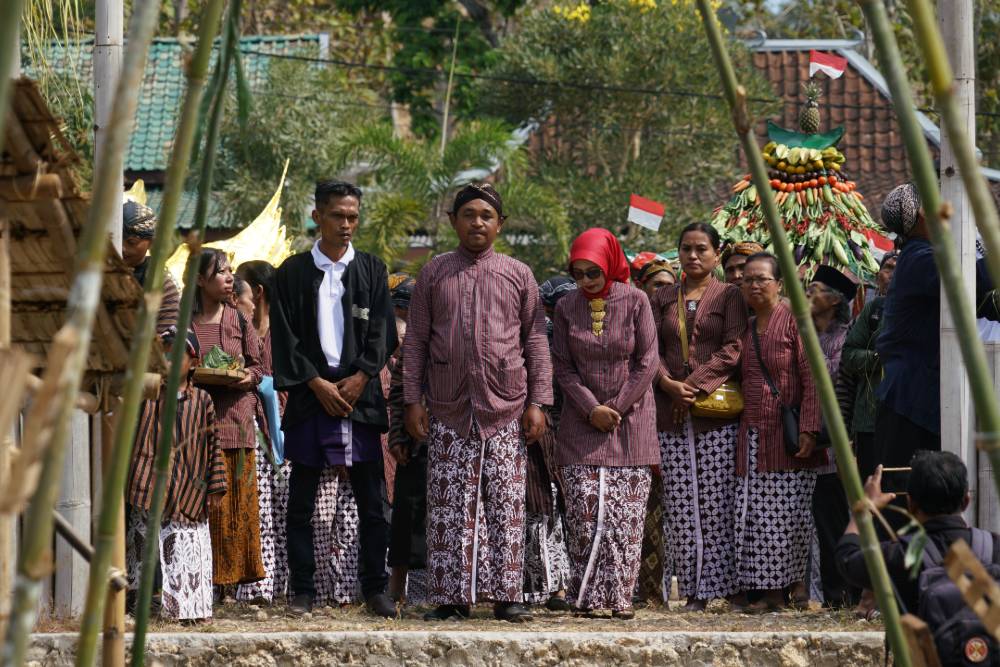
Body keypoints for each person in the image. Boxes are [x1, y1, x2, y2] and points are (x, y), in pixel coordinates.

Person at [403, 183, 552, 623]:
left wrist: (539, 401)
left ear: (500, 224)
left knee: (506, 503)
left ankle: (508, 596)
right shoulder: (434, 272)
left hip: (506, 406)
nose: (477, 223)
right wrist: (413, 401)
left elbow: (536, 342)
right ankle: (451, 598)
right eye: (468, 214)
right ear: (453, 221)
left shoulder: (518, 274)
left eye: (486, 215)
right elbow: (415, 344)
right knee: (450, 506)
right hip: (448, 406)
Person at [271, 180, 397, 618]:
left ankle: (375, 589)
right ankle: (302, 591)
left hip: (359, 399)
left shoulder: (372, 270)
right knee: (302, 500)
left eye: (353, 217)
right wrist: (315, 383)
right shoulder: (290, 273)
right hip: (312, 398)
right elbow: (284, 339)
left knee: (372, 500)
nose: (347, 225)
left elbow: (384, 332)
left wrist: (362, 376)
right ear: (317, 216)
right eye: (338, 216)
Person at [552, 228, 659, 620]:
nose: (584, 282)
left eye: (592, 273)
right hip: (581, 425)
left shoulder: (636, 301)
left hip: (630, 424)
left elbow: (648, 362)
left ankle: (619, 599)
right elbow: (562, 366)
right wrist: (590, 408)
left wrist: (614, 407)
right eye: (577, 273)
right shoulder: (565, 306)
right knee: (585, 512)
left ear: (610, 266)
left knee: (625, 518)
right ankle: (587, 597)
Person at [652, 222, 746, 612]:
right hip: (671, 412)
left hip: (715, 413)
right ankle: (690, 589)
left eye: (702, 249)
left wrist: (691, 384)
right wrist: (669, 384)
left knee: (716, 501)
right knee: (680, 505)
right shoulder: (660, 297)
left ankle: (718, 586)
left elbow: (734, 346)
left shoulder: (729, 296)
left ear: (716, 253)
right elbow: (648, 349)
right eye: (686, 248)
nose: (693, 256)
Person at [875, 183, 992, 468]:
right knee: (907, 492)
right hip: (909, 397)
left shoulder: (924, 255)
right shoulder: (919, 258)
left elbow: (982, 304)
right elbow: (972, 281)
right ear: (923, 214)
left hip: (918, 392)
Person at [734, 252, 826, 612]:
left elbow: (812, 376)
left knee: (788, 515)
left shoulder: (793, 321)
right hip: (752, 433)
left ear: (779, 284)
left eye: (762, 279)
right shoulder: (745, 324)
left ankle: (786, 589)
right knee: (757, 515)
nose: (754, 285)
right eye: (747, 279)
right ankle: (768, 591)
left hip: (786, 434)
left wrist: (809, 428)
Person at [125, 327, 224, 623]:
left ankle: (190, 609)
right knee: (141, 547)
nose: (169, 358)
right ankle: (136, 605)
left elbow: (213, 445)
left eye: (177, 352)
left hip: (189, 488)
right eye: (164, 352)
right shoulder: (148, 395)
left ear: (194, 362)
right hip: (149, 484)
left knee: (185, 546)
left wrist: (214, 485)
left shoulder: (203, 400)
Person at [836, 451, 1000, 614]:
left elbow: (847, 557)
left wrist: (866, 508)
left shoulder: (901, 555)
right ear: (966, 502)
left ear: (911, 504)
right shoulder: (994, 548)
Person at [190, 249, 266, 597]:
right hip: (195, 429)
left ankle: (231, 585)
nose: (229, 277)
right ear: (200, 280)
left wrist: (244, 377)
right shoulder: (183, 323)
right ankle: (203, 581)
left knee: (237, 507)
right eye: (220, 272)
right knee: (205, 507)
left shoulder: (237, 319)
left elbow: (260, 367)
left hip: (237, 424)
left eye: (230, 271)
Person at [807, 265, 859, 609]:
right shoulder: (803, 334)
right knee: (823, 522)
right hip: (811, 442)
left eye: (816, 289)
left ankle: (853, 592)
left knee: (845, 521)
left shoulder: (849, 337)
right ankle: (830, 595)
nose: (809, 293)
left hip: (842, 443)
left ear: (836, 299)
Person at [523, 277, 574, 611]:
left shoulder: (573, 335)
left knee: (554, 510)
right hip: (534, 431)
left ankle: (558, 587)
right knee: (537, 509)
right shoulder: (543, 331)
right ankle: (541, 588)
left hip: (562, 435)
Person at [386, 275, 429, 604]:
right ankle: (397, 590)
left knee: (441, 519)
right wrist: (398, 434)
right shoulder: (413, 343)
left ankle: (434, 592)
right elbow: (399, 388)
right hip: (415, 441)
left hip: (453, 438)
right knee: (405, 514)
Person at [122, 200, 180, 334]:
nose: (123, 248)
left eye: (132, 242)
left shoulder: (162, 283)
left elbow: (165, 335)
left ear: (151, 242)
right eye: (118, 240)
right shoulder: (99, 274)